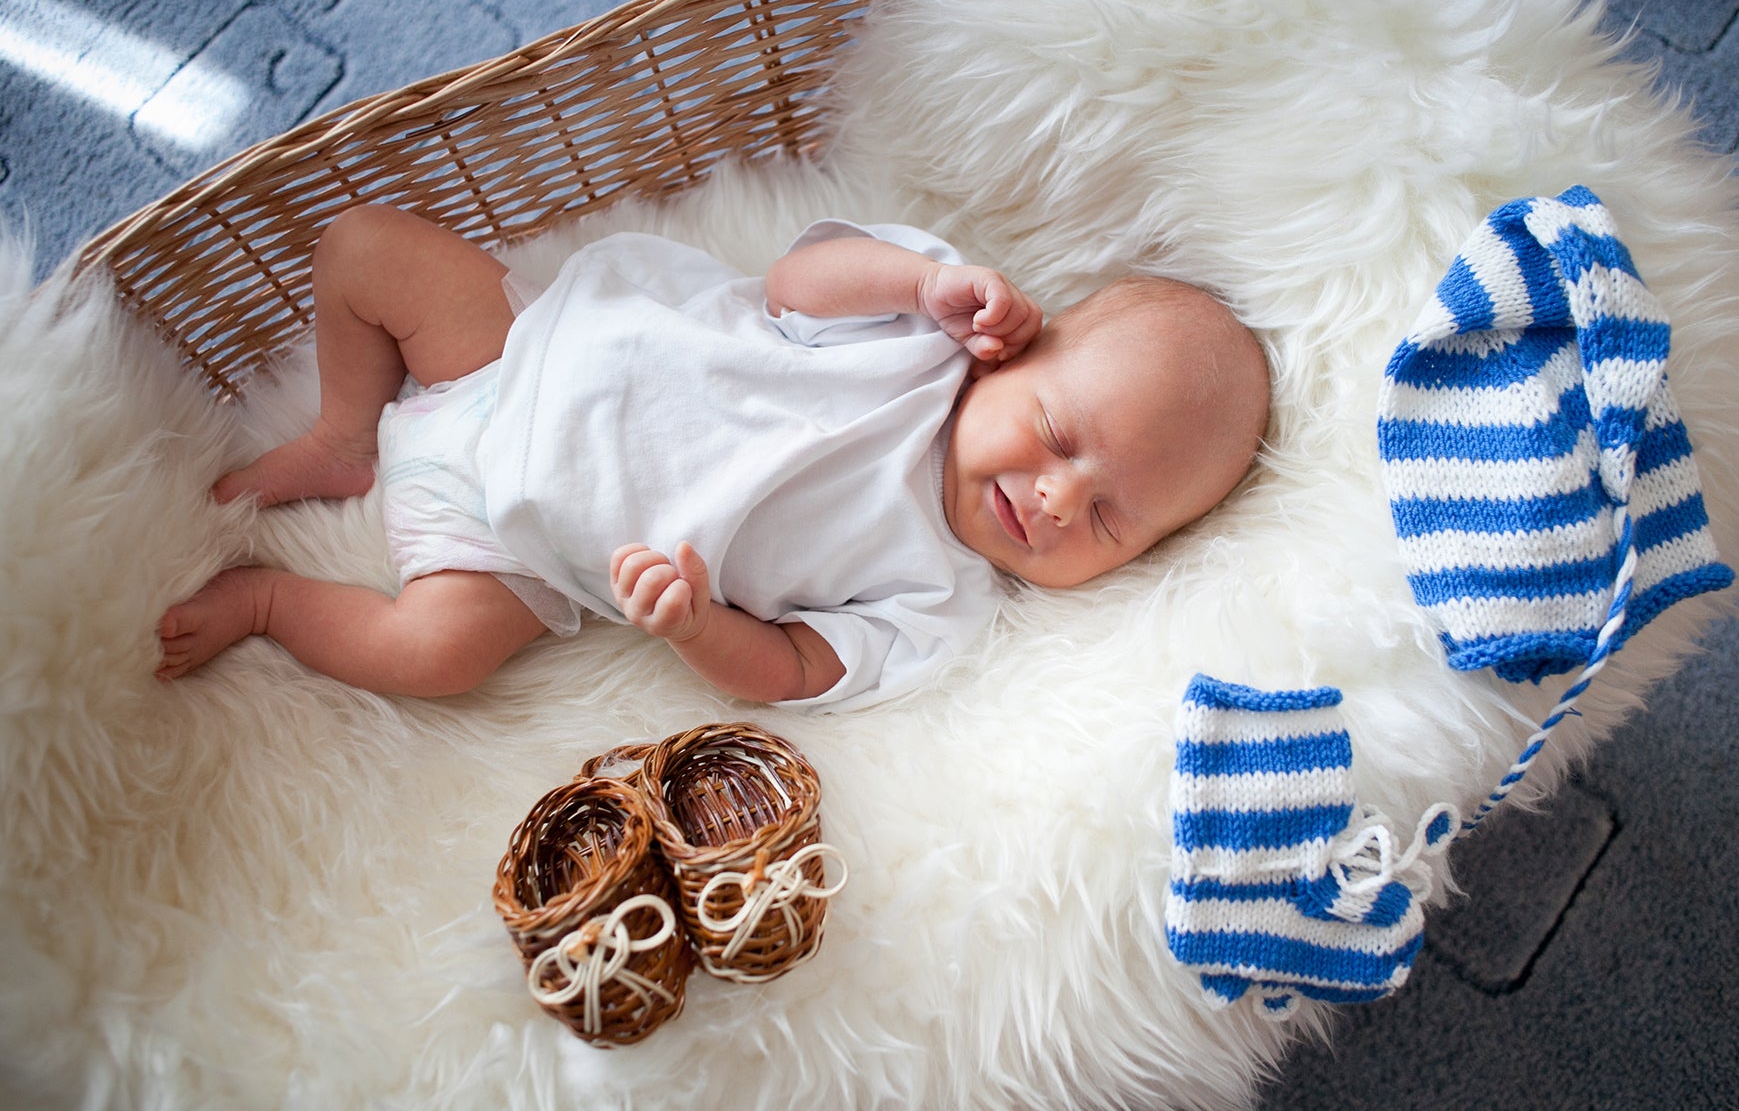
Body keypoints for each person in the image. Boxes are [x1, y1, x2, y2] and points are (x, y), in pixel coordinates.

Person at [156, 204, 1270, 710]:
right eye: (1061, 438)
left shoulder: (940, 601)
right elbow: (791, 285)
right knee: (362, 249)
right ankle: (343, 438)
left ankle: (268, 603)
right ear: (1013, 354)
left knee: (435, 654)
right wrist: (919, 284)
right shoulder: (921, 332)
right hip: (512, 349)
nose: (1058, 497)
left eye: (1114, 520)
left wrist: (698, 629)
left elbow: (790, 670)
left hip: (517, 546)